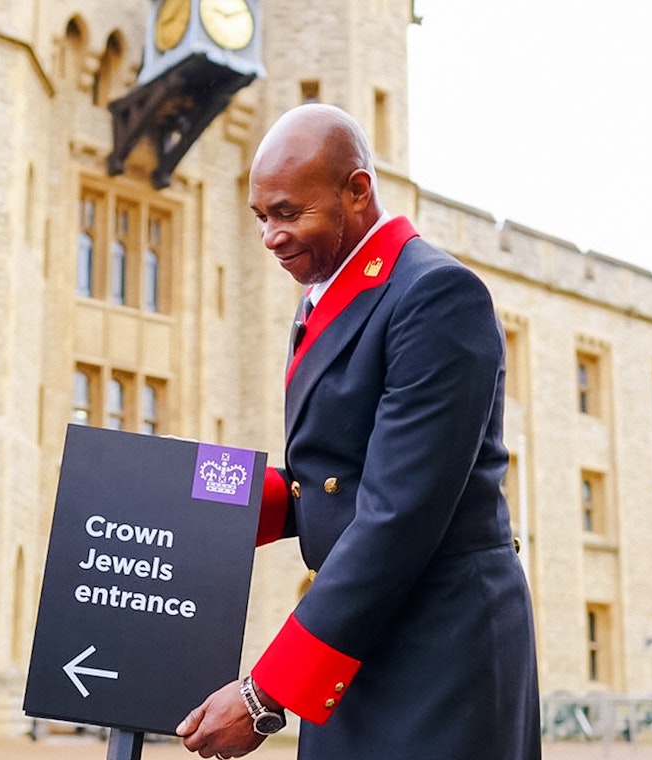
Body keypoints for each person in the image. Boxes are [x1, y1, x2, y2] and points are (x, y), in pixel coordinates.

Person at [176, 103, 541, 759]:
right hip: (360, 643)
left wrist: (264, 695)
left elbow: (396, 515)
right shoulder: (322, 293)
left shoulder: (436, 296)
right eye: (262, 217)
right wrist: (186, 494)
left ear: (357, 190)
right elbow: (329, 479)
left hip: (439, 651)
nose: (271, 237)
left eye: (289, 212)